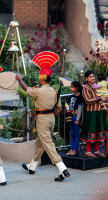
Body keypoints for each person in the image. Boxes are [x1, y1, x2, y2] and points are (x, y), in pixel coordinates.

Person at [16, 51, 70, 182]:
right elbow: (59, 108)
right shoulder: (54, 91)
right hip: (51, 117)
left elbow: (27, 89)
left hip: (42, 119)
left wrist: (20, 79)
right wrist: (51, 116)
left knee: (47, 144)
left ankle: (62, 169)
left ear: (41, 79)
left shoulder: (38, 91)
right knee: (40, 143)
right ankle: (32, 166)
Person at [81, 70, 108, 158]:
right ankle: (88, 151)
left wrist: (105, 99)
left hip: (100, 111)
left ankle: (97, 150)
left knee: (98, 131)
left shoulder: (97, 86)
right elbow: (87, 100)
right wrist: (100, 98)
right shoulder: (85, 87)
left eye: (93, 76)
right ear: (86, 78)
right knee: (90, 131)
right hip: (91, 113)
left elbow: (105, 95)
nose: (93, 78)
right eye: (90, 77)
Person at [65, 81, 83, 157]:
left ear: (77, 88)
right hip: (70, 116)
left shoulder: (79, 97)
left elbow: (80, 108)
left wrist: (77, 119)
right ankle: (71, 148)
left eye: (72, 87)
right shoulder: (71, 96)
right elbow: (69, 105)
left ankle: (75, 149)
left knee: (76, 133)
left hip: (75, 117)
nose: (70, 88)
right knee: (72, 133)